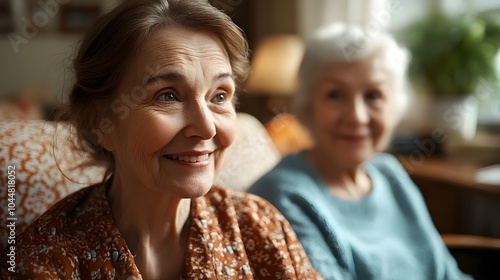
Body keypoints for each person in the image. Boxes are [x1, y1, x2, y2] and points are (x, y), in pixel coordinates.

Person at [0, 0, 323, 279]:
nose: (207, 128)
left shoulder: (260, 226)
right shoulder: (45, 257)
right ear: (99, 121)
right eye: (167, 96)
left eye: (220, 96)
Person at [249, 24, 471, 280]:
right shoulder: (282, 195)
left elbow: (447, 272)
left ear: (395, 105)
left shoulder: (389, 171)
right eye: (335, 95)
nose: (357, 116)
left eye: (374, 95)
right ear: (308, 105)